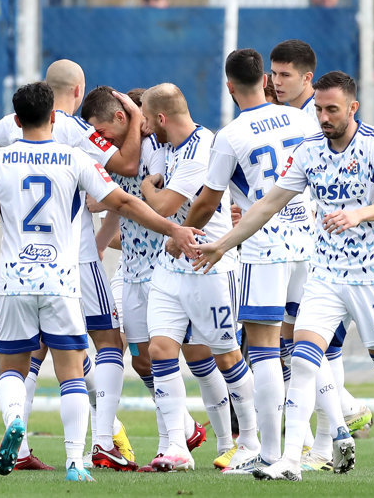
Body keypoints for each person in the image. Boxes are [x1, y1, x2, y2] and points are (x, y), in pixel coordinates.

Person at [0, 82, 201, 482]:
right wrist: (172, 229)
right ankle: (77, 461)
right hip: (62, 281)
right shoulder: (74, 157)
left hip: (14, 282)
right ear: (54, 117)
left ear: (16, 120)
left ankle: (15, 422)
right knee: (73, 372)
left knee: (13, 370)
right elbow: (123, 201)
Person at [193, 71, 374, 484]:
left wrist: (358, 214)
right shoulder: (309, 149)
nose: (323, 117)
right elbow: (268, 205)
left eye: (332, 109)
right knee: (301, 359)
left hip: (372, 275)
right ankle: (289, 461)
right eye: (318, 109)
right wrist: (223, 244)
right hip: (325, 275)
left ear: (353, 107)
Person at [181, 48, 336, 475]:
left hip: (263, 247)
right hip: (308, 243)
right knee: (307, 344)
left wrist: (182, 234)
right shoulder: (302, 119)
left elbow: (207, 202)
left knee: (265, 350)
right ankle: (331, 435)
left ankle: (268, 453)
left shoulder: (230, 135)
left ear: (229, 86)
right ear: (266, 80)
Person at [82, 86, 235, 469]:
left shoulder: (154, 150)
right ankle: (181, 434)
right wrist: (99, 240)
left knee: (198, 356)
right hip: (133, 272)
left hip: (168, 268)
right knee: (143, 360)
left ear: (128, 118)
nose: (101, 140)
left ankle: (224, 443)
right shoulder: (113, 155)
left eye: (103, 131)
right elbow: (118, 205)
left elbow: (159, 198)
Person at [134, 82, 259, 472]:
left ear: (160, 118)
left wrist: (145, 188)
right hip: (170, 269)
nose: (143, 127)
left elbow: (164, 204)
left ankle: (250, 442)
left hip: (210, 267)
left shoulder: (204, 148)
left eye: (146, 120)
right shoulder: (166, 146)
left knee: (227, 356)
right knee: (159, 350)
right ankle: (176, 446)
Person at [271, 39, 374, 450]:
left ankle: (329, 437)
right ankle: (338, 419)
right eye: (274, 74)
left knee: (310, 343)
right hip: (290, 244)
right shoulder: (286, 118)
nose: (276, 82)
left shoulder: (321, 123)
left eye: (285, 75)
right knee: (296, 343)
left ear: (307, 78)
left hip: (323, 251)